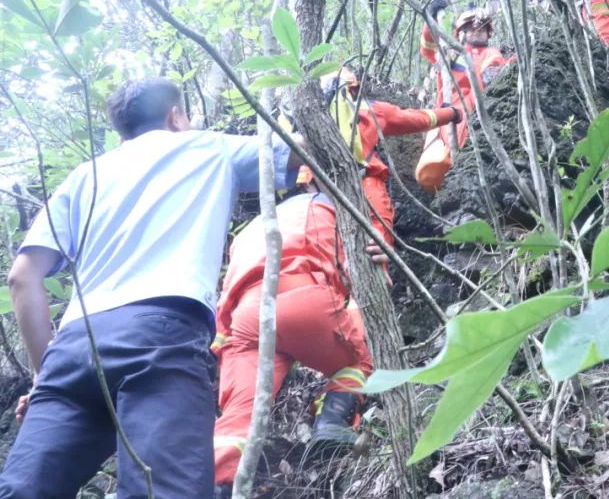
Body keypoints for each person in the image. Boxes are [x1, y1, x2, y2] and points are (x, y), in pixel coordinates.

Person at [0, 77, 301, 499]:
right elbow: (305, 155)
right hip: (159, 336)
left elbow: (22, 277)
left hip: (72, 347)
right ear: (175, 116)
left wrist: (42, 376)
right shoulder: (208, 148)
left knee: (24, 491)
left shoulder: (85, 176)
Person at [211, 180, 372, 498]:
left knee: (239, 416)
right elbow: (356, 271)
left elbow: (226, 294)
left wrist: (221, 342)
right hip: (305, 296)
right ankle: (333, 421)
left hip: (247, 315)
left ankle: (216, 484)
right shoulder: (327, 209)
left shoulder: (247, 234)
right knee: (358, 359)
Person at [319, 68, 459, 262]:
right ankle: (378, 284)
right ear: (353, 89)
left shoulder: (312, 120)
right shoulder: (369, 109)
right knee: (378, 242)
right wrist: (451, 113)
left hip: (318, 191)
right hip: (365, 184)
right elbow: (417, 119)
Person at [415, 0, 512, 191]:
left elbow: (494, 79)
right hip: (449, 117)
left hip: (479, 115)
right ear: (462, 31)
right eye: (471, 27)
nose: (477, 31)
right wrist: (431, 19)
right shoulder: (451, 52)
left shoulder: (493, 54)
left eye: (482, 28)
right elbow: (428, 49)